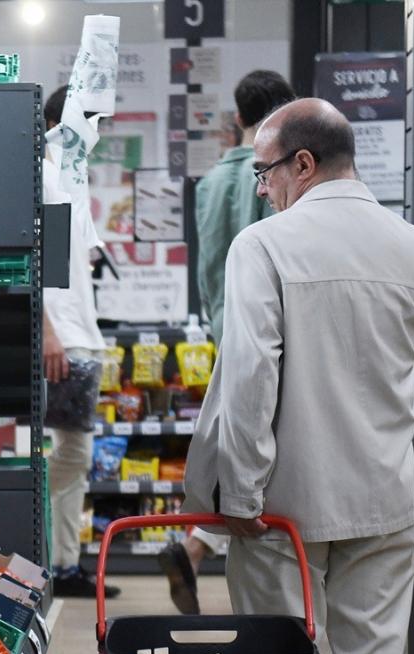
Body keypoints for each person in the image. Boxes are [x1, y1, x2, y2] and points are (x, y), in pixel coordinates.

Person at [183, 99, 414, 654]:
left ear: (302, 163)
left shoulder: (264, 247)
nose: (259, 187)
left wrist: (243, 495)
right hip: (384, 493)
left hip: (281, 505)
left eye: (264, 170)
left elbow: (253, 377)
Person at [159, 69, 296, 615]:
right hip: (272, 333)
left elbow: (206, 266)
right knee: (265, 464)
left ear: (237, 117)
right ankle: (208, 549)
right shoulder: (276, 177)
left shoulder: (212, 179)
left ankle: (194, 548)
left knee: (232, 445)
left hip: (223, 329)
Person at [42, 85, 118, 599]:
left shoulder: (70, 176)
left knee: (74, 454)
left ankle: (65, 564)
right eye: (94, 122)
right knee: (71, 453)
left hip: (81, 334)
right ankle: (29, 533)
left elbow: (79, 255)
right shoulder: (45, 175)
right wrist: (47, 330)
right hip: (63, 338)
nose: (99, 133)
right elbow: (36, 257)